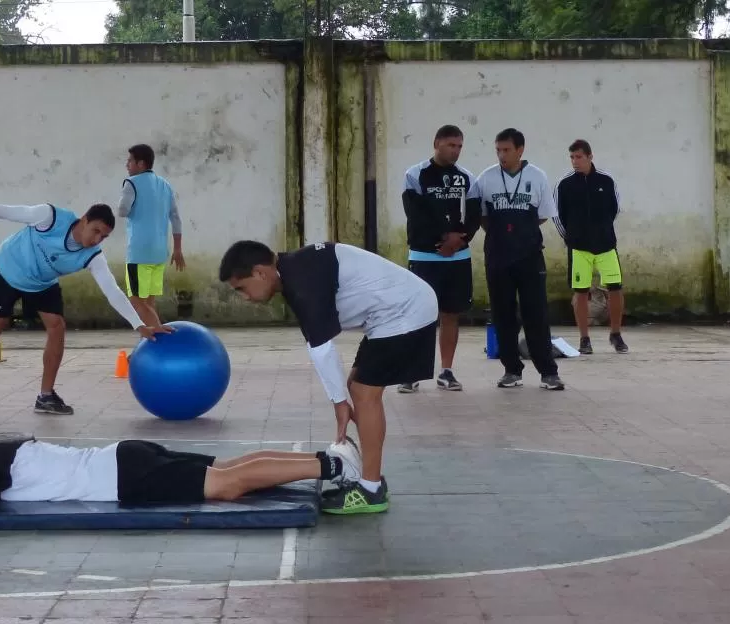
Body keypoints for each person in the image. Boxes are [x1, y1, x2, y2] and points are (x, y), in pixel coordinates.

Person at [218, 240, 440, 515]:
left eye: (242, 288)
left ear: (260, 272)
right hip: (391, 313)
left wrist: (340, 405)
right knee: (356, 388)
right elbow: (318, 345)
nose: (245, 297)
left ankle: (370, 489)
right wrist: (340, 400)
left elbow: (323, 350)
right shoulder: (295, 271)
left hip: (404, 311)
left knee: (363, 393)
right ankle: (369, 476)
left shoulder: (301, 280)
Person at [0, 199, 171, 419]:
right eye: (96, 231)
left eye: (105, 236)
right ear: (84, 219)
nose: (98, 239)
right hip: (10, 268)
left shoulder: (93, 257)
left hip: (41, 283)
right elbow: (4, 211)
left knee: (57, 326)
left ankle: (45, 396)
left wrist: (139, 325)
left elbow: (112, 291)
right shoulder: (48, 217)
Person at [0, 411, 363, 508]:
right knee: (227, 469)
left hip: (123, 478)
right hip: (124, 457)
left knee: (227, 485)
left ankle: (335, 467)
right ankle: (331, 458)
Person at [471, 128, 565, 391]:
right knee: (503, 314)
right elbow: (481, 217)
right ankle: (511, 369)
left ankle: (548, 371)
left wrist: (521, 232)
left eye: (507, 150)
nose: (502, 155)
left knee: (536, 312)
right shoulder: (486, 178)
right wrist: (504, 234)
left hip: (529, 256)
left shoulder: (537, 177)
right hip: (498, 256)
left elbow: (544, 214)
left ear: (520, 149)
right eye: (498, 150)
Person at [398, 124, 482, 394]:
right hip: (425, 257)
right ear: (436, 143)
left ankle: (446, 371)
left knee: (451, 314)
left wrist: (461, 239)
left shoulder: (467, 177)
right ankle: (411, 372)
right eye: (450, 145)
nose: (455, 151)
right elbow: (416, 214)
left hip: (458, 258)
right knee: (420, 316)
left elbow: (474, 215)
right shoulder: (415, 175)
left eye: (459, 146)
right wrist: (443, 238)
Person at [552, 139, 629, 354]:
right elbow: (557, 215)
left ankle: (616, 334)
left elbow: (615, 208)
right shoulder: (564, 184)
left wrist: (602, 231)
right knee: (581, 292)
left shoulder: (607, 179)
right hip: (579, 248)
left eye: (579, 157)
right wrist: (571, 238)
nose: (575, 162)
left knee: (615, 288)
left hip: (606, 246)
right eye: (572, 158)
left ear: (589, 156)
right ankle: (584, 339)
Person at [117, 144, 186, 328]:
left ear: (141, 164)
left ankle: (160, 335)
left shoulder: (131, 183)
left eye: (130, 161)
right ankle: (150, 344)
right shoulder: (165, 185)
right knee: (149, 303)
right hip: (159, 253)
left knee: (136, 303)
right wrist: (177, 249)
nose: (127, 165)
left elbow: (122, 211)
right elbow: (176, 218)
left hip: (139, 253)